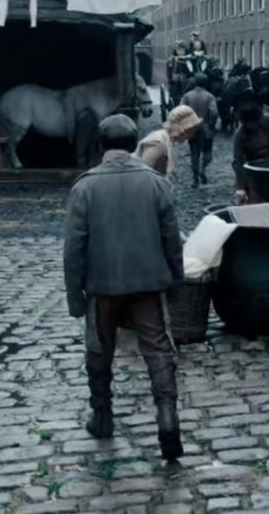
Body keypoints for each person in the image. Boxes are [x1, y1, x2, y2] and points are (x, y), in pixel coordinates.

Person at [63, 114, 185, 461]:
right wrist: (177, 280)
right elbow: (171, 239)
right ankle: (168, 421)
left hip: (102, 287)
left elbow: (74, 248)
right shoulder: (156, 183)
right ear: (134, 144)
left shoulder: (84, 186)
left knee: (99, 351)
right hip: (148, 285)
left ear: (101, 145)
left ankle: (102, 417)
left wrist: (75, 297)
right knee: (158, 351)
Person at [232, 100, 269, 203]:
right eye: (249, 124)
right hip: (253, 170)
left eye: (254, 123)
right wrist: (240, 187)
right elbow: (238, 161)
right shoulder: (239, 135)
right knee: (255, 199)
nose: (252, 126)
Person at [136, 105, 201, 179]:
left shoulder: (171, 140)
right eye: (191, 131)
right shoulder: (158, 143)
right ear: (182, 128)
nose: (191, 136)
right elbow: (141, 174)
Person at [180, 74, 219, 187]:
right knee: (207, 153)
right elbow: (214, 112)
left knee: (194, 154)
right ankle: (203, 170)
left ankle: (195, 179)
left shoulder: (187, 96)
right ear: (206, 83)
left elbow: (181, 110)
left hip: (192, 129)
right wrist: (211, 124)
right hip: (205, 129)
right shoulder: (209, 96)